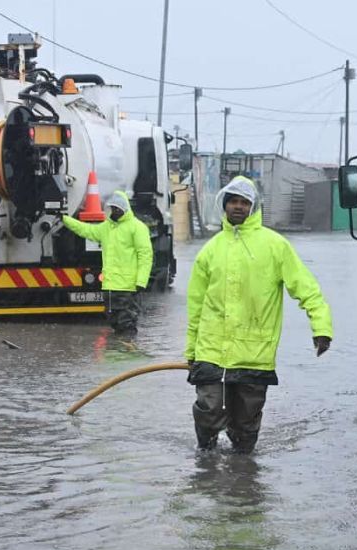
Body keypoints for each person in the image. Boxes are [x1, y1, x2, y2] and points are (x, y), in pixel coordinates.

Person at [185, 176, 333, 453]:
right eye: (233, 202)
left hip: (254, 351)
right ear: (225, 205)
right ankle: (206, 455)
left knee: (246, 424)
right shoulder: (210, 251)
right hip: (210, 348)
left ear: (253, 207)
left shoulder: (276, 246)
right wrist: (191, 350)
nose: (238, 207)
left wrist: (321, 328)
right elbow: (195, 305)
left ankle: (242, 469)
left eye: (244, 202)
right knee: (207, 408)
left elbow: (307, 289)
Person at [62, 190, 153, 336]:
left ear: (125, 208)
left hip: (128, 287)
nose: (115, 211)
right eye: (113, 208)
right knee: (115, 322)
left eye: (118, 208)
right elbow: (86, 230)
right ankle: (119, 353)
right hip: (110, 287)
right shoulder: (106, 228)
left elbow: (145, 256)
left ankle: (128, 352)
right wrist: (65, 219)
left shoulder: (137, 228)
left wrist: (141, 281)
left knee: (127, 323)